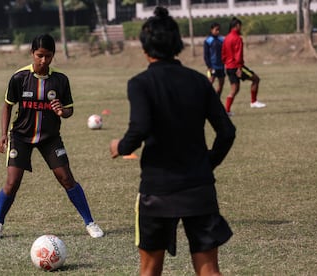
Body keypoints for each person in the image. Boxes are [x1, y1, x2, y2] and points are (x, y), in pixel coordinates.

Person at [109, 7, 236, 276]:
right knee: (209, 270)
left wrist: (120, 146)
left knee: (150, 269)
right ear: (177, 44)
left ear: (145, 47)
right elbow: (226, 132)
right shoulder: (199, 82)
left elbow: (139, 128)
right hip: (198, 188)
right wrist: (207, 163)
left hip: (158, 191)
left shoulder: (140, 83)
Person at [0, 34, 104, 240]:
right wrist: (3, 135)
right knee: (12, 182)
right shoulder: (19, 78)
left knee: (67, 178)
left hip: (50, 137)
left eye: (48, 56)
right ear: (32, 53)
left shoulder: (60, 80)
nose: (43, 60)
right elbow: (7, 106)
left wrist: (62, 111)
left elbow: (69, 110)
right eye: (39, 55)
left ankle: (90, 223)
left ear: (53, 56)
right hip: (21, 136)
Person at [221, 17, 266, 116]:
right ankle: (253, 102)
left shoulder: (226, 38)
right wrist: (239, 67)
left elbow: (223, 54)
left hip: (228, 67)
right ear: (237, 26)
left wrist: (227, 63)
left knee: (234, 89)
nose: (241, 28)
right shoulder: (237, 38)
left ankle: (226, 111)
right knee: (256, 79)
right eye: (240, 26)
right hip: (237, 66)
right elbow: (239, 54)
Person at [204, 22, 225, 97]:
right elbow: (206, 55)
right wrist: (209, 66)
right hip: (212, 67)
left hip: (221, 66)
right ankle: (204, 98)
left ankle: (217, 99)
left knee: (221, 83)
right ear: (211, 30)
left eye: (219, 30)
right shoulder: (208, 41)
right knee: (209, 82)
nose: (218, 31)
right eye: (216, 30)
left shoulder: (222, 40)